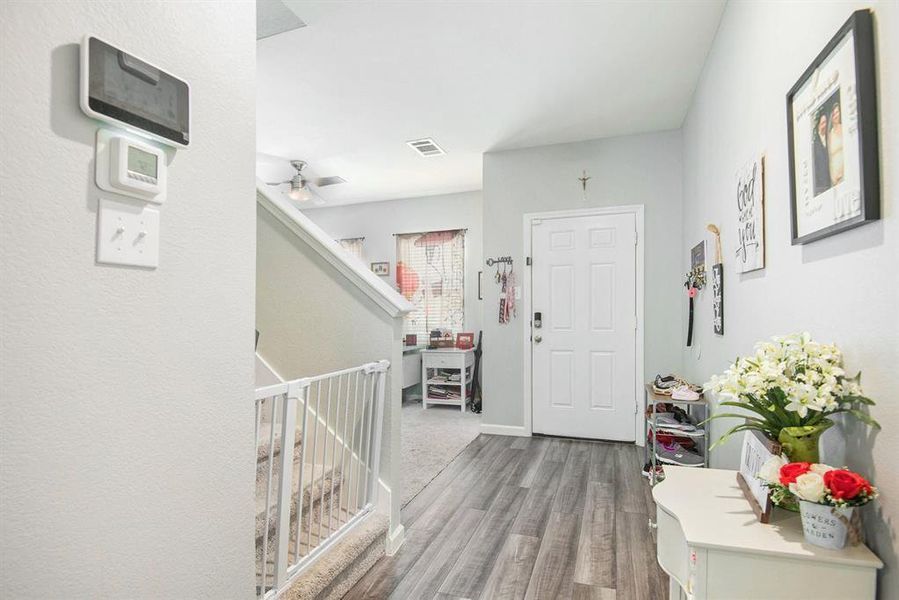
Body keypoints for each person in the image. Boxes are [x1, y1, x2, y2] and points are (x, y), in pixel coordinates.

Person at [812, 111, 831, 196]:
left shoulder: (829, 138)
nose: (825, 125)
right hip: (822, 187)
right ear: (818, 125)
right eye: (823, 123)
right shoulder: (814, 145)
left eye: (826, 123)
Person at [828, 102, 844, 187]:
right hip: (835, 181)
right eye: (834, 113)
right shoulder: (830, 135)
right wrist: (834, 179)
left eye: (837, 112)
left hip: (845, 175)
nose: (836, 115)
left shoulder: (844, 129)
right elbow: (830, 159)